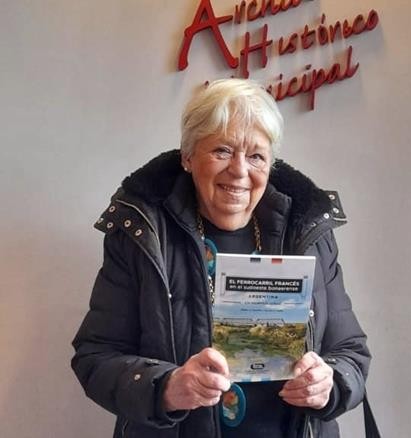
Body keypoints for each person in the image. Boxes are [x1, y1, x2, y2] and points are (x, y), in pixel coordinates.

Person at [72, 78, 371, 438]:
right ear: (188, 157)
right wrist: (166, 387)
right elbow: (96, 355)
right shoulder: (143, 233)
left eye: (257, 156)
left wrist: (330, 383)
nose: (240, 171)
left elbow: (350, 351)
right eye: (223, 151)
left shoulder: (308, 235)